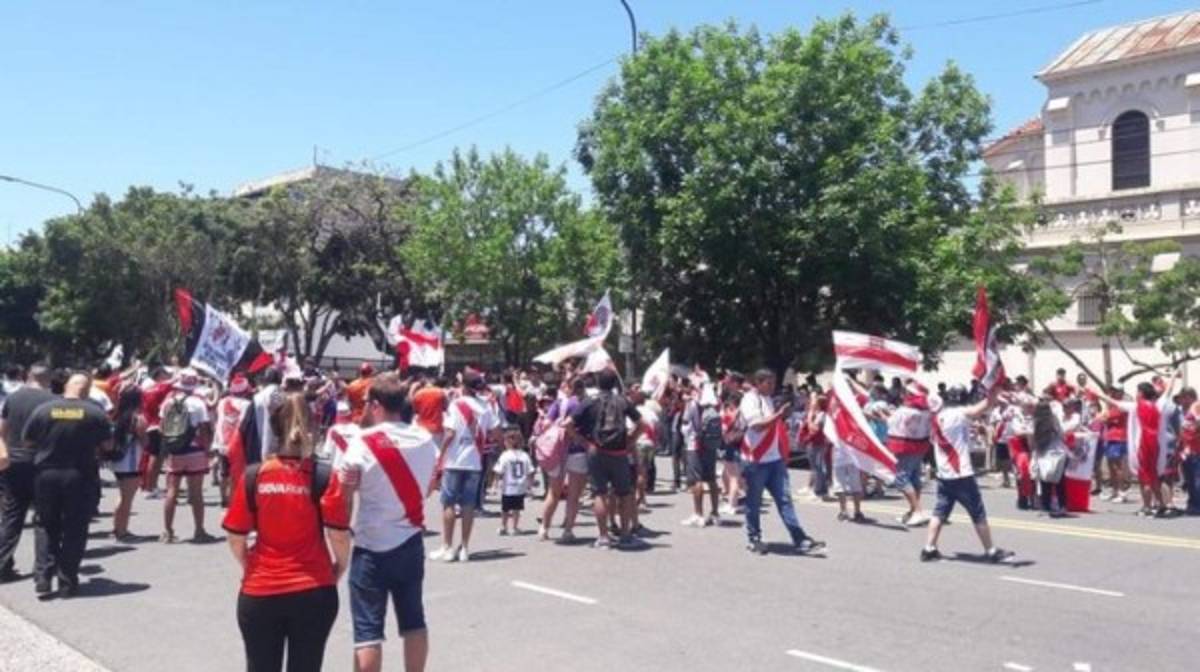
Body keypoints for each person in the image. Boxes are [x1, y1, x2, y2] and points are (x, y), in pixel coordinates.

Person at [223, 391, 351, 672]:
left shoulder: (255, 475)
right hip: (313, 588)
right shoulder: (323, 475)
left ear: (274, 428)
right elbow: (339, 535)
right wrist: (339, 567)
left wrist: (248, 564)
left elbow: (235, 536)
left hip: (260, 590)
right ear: (312, 426)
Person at [340, 373, 438, 672]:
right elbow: (429, 486)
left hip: (371, 544)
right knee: (414, 621)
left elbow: (345, 493)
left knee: (368, 632)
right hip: (410, 540)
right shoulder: (424, 439)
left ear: (376, 406)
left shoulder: (362, 442)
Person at [23, 373, 113, 596]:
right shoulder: (95, 412)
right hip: (79, 475)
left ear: (66, 387)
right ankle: (67, 581)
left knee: (46, 525)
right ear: (87, 390)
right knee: (76, 527)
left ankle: (43, 577)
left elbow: (28, 441)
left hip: (47, 474)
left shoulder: (43, 410)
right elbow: (108, 446)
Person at [921, 385, 1014, 563]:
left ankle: (929, 548)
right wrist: (994, 392)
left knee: (940, 511)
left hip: (944, 473)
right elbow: (980, 408)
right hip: (961, 473)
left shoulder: (937, 417)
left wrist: (994, 398)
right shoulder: (958, 414)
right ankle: (991, 550)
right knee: (978, 513)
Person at [738, 369, 825, 556]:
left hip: (774, 460)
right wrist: (779, 415)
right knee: (754, 502)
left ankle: (800, 539)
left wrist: (781, 416)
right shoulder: (750, 400)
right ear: (758, 383)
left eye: (773, 382)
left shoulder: (767, 399)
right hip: (756, 460)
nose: (772, 386)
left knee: (785, 500)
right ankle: (754, 538)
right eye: (768, 383)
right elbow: (757, 426)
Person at [567, 368, 643, 549]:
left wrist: (583, 442)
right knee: (624, 493)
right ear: (615, 383)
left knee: (599, 493)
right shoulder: (622, 401)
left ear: (598, 383)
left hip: (596, 451)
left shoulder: (589, 401)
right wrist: (630, 440)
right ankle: (625, 535)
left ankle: (603, 537)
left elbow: (568, 424)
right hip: (619, 453)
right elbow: (642, 423)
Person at [431, 371, 499, 562]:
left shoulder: (456, 404)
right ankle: (465, 548)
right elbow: (496, 432)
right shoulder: (486, 406)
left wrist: (440, 455)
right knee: (468, 505)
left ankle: (447, 546)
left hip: (454, 460)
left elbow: (450, 433)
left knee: (449, 503)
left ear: (464, 386)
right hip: (475, 460)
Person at [0, 363, 56, 582]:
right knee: (44, 518)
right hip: (42, 463)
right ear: (49, 378)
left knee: (12, 516)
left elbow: (2, 431)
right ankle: (43, 573)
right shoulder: (52, 401)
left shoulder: (13, 398)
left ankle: (2, 566)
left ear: (28, 376)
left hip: (14, 462)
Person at [159, 369, 216, 543]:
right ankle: (199, 530)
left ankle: (168, 531)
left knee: (171, 491)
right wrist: (207, 449)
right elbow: (204, 430)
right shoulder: (198, 404)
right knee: (196, 493)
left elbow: (162, 428)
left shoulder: (168, 402)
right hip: (195, 451)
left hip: (175, 451)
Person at [536, 378, 589, 542]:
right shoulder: (583, 404)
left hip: (557, 450)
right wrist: (578, 437)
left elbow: (545, 424)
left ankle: (544, 528)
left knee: (553, 492)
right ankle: (568, 531)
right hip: (577, 450)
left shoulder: (558, 404)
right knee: (574, 495)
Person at [886, 382, 933, 526]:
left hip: (905, 447)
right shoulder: (926, 410)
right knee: (914, 478)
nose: (904, 394)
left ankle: (917, 511)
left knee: (901, 479)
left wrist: (882, 415)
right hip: (920, 446)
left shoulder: (905, 410)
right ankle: (913, 511)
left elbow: (892, 424)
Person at [108, 385, 146, 540]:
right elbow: (144, 441)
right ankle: (122, 531)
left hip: (117, 462)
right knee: (127, 499)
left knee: (122, 496)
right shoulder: (137, 418)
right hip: (131, 462)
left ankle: (117, 528)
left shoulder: (116, 416)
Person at [681, 384, 721, 527]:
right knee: (711, 479)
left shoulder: (692, 405)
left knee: (696, 480)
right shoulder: (714, 407)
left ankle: (698, 514)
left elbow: (685, 424)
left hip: (695, 446)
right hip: (711, 446)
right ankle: (715, 513)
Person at [214, 374, 254, 507]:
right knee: (235, 473)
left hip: (222, 442)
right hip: (237, 444)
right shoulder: (247, 405)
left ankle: (223, 498)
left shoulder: (222, 402)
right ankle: (233, 500)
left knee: (223, 472)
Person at [1030, 400, 1069, 517]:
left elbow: (1033, 440)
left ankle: (1046, 506)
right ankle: (1061, 506)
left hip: (1046, 452)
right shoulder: (1052, 420)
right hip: (1056, 452)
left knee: (1045, 480)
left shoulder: (1038, 422)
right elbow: (1061, 434)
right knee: (1058, 481)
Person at [493, 427, 533, 535]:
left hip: (508, 487)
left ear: (507, 442)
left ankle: (503, 526)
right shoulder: (525, 456)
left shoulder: (505, 455)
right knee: (516, 509)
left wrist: (495, 484)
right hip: (520, 487)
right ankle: (514, 527)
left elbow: (498, 471)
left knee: (505, 508)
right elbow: (530, 471)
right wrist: (530, 485)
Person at [718, 391, 745, 516]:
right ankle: (734, 502)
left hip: (731, 445)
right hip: (739, 445)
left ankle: (732, 504)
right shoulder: (744, 414)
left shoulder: (734, 414)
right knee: (735, 476)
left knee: (733, 477)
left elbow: (724, 428)